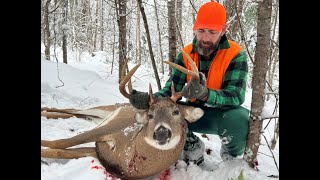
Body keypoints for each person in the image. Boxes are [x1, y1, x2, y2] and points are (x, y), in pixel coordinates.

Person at [129, 1, 249, 165]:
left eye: (212, 32)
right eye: (201, 31)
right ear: (195, 29)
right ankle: (191, 144)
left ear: (223, 30)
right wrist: (150, 100)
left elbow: (236, 96)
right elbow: (171, 93)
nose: (205, 38)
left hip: (220, 115)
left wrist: (206, 94)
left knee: (239, 119)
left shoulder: (235, 55)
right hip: (189, 113)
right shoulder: (185, 55)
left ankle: (230, 156)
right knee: (162, 113)